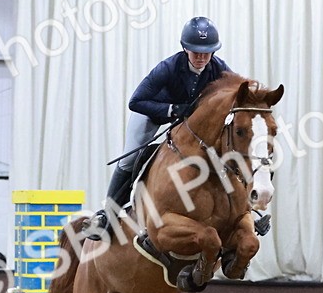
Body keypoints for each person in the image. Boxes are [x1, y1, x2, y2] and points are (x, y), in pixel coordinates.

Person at [87, 17, 231, 238]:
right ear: (185, 48)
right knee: (129, 159)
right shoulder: (168, 68)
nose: (202, 57)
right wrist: (171, 109)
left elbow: (237, 92)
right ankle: (108, 215)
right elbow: (136, 101)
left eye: (207, 52)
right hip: (153, 113)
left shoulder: (220, 69)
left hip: (186, 122)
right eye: (196, 52)